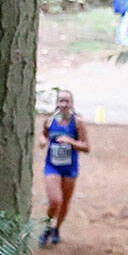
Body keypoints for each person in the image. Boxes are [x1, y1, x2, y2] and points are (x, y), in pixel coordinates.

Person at [38, 89, 89, 246]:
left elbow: (86, 146)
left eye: (67, 101)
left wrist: (71, 141)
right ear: (57, 103)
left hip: (70, 168)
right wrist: (42, 141)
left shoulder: (77, 123)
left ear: (72, 103)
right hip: (52, 166)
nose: (64, 104)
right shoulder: (49, 121)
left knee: (65, 202)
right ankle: (47, 226)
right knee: (55, 201)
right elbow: (43, 135)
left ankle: (57, 228)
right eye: (61, 101)